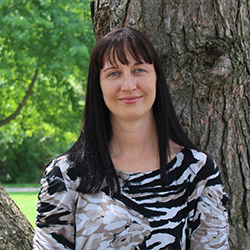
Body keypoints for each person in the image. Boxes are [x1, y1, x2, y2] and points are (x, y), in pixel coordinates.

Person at [33, 27, 229, 250]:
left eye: (139, 70)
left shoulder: (197, 172)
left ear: (157, 79)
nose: (128, 86)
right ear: (98, 85)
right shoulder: (66, 176)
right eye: (113, 73)